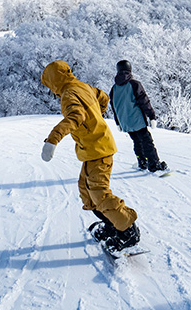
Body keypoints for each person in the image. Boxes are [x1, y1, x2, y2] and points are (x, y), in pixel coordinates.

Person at [39, 60, 140, 252]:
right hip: (93, 149)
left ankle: (127, 230)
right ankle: (112, 224)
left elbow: (75, 117)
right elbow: (103, 97)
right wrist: (97, 118)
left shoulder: (69, 95)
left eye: (50, 85)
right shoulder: (82, 86)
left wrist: (52, 140)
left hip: (98, 149)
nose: (51, 91)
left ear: (54, 81)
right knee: (87, 192)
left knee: (99, 193)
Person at [109, 60, 168, 173]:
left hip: (125, 122)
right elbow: (144, 101)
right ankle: (154, 164)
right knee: (146, 141)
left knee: (137, 141)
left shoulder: (114, 89)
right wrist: (152, 116)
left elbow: (114, 107)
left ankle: (142, 162)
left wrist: (118, 123)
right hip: (137, 119)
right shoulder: (134, 84)